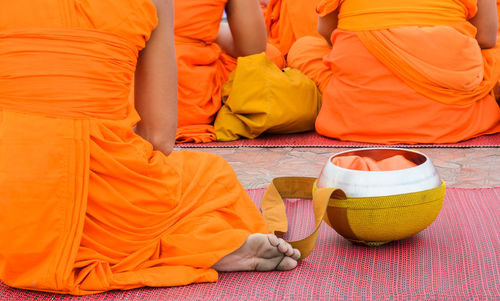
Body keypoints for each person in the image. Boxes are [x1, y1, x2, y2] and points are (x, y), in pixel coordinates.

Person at [0, 0, 300, 295]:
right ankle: (192, 244)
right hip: (120, 195)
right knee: (210, 174)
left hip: (10, 196)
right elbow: (158, 138)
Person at [287, 0, 500, 144]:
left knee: (304, 48)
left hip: (357, 115)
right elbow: (486, 38)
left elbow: (327, 32)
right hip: (452, 118)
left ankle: (347, 92)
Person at [174, 0, 284, 143]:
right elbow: (253, 49)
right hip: (188, 104)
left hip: (138, 98)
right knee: (272, 55)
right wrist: (206, 31)